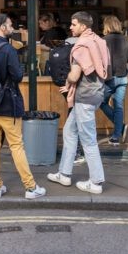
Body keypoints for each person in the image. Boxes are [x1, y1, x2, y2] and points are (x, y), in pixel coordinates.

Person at [0, 13, 46, 200]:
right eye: (10, 24)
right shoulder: (8, 49)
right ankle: (31, 187)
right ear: (2, 27)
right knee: (16, 145)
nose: (12, 27)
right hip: (7, 103)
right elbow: (17, 76)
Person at [47, 11, 108, 194]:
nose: (70, 27)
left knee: (88, 140)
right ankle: (64, 174)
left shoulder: (81, 45)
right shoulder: (99, 41)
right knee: (69, 131)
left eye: (73, 24)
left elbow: (74, 75)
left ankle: (96, 182)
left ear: (83, 26)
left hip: (84, 97)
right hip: (96, 93)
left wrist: (66, 80)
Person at [100, 15, 128, 145]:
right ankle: (117, 133)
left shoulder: (102, 41)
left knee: (101, 102)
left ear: (106, 26)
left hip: (109, 78)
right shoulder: (127, 40)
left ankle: (120, 129)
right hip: (123, 77)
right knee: (118, 107)